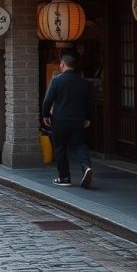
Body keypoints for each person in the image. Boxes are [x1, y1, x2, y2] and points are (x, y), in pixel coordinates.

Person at [42, 54, 94, 188]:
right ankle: (86, 166)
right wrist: (87, 118)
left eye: (60, 64)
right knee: (80, 144)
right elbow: (89, 102)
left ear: (63, 65)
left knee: (60, 148)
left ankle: (64, 178)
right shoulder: (84, 82)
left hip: (60, 120)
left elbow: (48, 100)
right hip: (78, 119)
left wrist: (45, 115)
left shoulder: (56, 81)